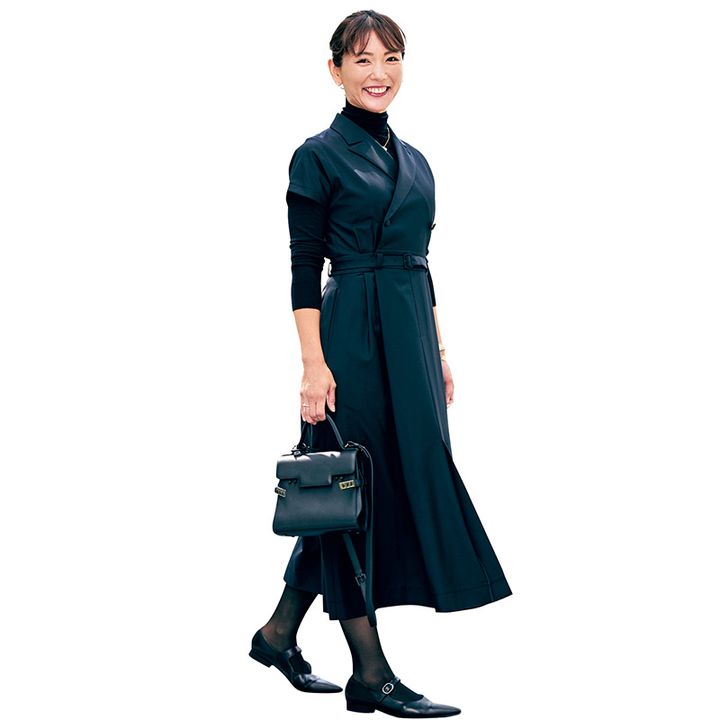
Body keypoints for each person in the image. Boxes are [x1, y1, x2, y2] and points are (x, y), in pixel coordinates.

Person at [250, 10, 512, 717]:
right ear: (334, 69)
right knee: (350, 487)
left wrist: (440, 350)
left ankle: (278, 634)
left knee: (376, 488)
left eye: (391, 58)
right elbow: (304, 269)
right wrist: (313, 365)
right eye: (362, 59)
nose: (379, 73)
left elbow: (422, 264)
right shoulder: (316, 155)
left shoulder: (417, 159)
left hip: (411, 338)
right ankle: (371, 673)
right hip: (352, 338)